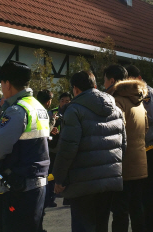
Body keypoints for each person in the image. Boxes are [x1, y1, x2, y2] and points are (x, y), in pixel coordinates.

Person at [0, 61, 51, 232]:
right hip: (37, 183)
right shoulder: (37, 106)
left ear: (7, 83)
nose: (1, 87)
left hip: (19, 187)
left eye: (1, 83)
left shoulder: (16, 111)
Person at [53, 70, 125, 232]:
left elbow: (68, 148)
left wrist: (59, 178)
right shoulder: (115, 108)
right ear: (95, 85)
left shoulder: (74, 110)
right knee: (101, 225)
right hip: (109, 181)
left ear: (76, 89)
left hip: (82, 182)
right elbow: (123, 144)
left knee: (83, 226)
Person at [104, 65, 148, 232]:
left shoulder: (117, 101)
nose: (104, 85)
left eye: (105, 81)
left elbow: (116, 133)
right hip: (140, 164)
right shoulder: (138, 100)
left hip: (123, 166)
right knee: (137, 208)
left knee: (120, 212)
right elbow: (146, 129)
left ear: (112, 81)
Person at [125, 64, 153, 232]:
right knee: (142, 193)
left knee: (151, 191)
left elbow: (148, 119)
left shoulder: (146, 94)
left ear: (136, 78)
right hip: (142, 149)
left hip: (150, 147)